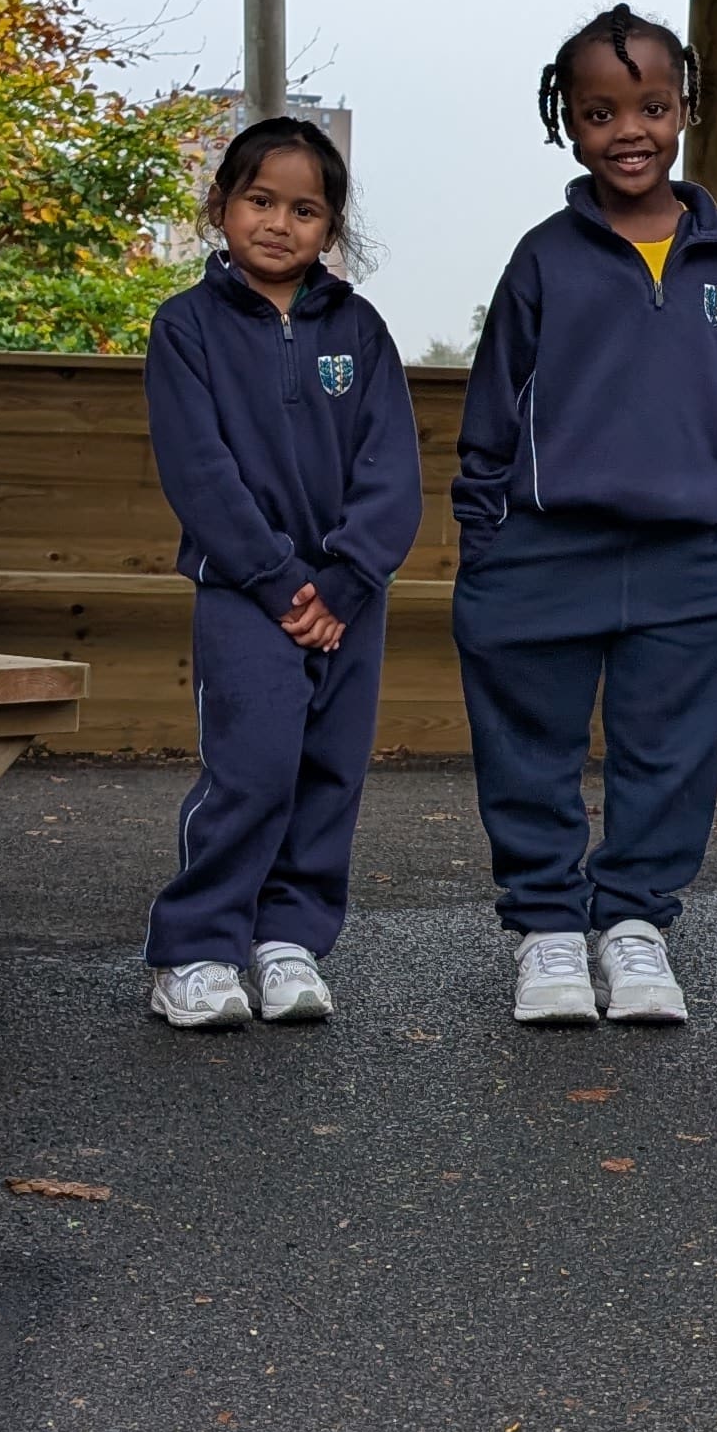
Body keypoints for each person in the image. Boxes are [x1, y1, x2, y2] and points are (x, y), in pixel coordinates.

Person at [452, 5, 717, 1028]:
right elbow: (494, 406)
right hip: (546, 553)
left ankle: (635, 930)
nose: (628, 130)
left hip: (690, 560)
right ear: (568, 122)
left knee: (669, 757)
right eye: (598, 111)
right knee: (530, 749)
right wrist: (488, 541)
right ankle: (547, 932)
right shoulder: (545, 256)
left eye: (651, 106)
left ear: (684, 110)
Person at [138, 117, 422, 1030]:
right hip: (245, 593)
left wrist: (343, 583)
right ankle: (196, 948)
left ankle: (288, 939)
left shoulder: (361, 331)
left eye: (305, 209)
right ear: (222, 205)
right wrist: (278, 579)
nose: (278, 223)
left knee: (329, 770)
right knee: (253, 770)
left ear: (330, 229)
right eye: (260, 201)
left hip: (349, 602)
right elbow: (199, 470)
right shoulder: (186, 329)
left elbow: (393, 470)